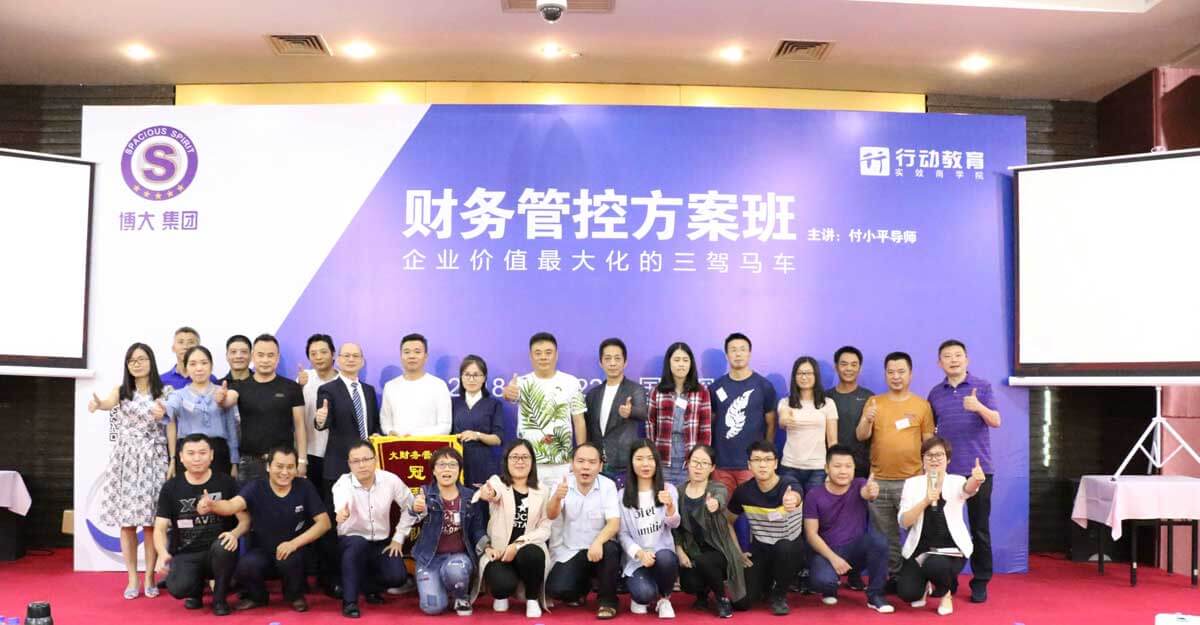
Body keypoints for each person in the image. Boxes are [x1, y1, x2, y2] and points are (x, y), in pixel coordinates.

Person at [198, 445, 331, 612]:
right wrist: (213, 505)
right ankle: (258, 597)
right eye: (279, 466)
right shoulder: (256, 487)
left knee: (290, 559)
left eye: (290, 467)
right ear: (269, 466)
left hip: (295, 551)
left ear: (296, 468)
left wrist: (293, 544)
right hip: (263, 550)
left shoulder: (304, 487)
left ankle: (295, 596)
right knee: (246, 565)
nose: (285, 472)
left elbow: (324, 523)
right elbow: (232, 505)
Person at [87, 342, 172, 599]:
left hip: (154, 459)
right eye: (132, 360)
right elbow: (107, 403)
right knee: (127, 524)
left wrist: (173, 460)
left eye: (141, 359)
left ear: (151, 361)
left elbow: (171, 426)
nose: (137, 364)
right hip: (126, 461)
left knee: (150, 524)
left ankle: (150, 578)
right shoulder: (122, 391)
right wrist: (99, 404)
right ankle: (132, 578)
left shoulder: (165, 391)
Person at [927, 339, 1001, 604]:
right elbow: (931, 434)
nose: (953, 360)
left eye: (958, 355)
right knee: (944, 529)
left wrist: (978, 407)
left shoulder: (982, 386)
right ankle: (948, 581)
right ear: (940, 363)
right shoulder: (935, 393)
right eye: (947, 356)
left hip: (978, 471)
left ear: (966, 359)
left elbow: (996, 421)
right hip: (946, 473)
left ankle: (980, 581)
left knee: (979, 529)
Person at [856, 351, 933, 583]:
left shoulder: (922, 405)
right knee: (885, 536)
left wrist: (928, 478)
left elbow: (929, 444)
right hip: (879, 481)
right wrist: (867, 419)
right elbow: (861, 435)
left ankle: (917, 578)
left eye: (901, 371)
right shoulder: (874, 402)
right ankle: (894, 577)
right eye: (891, 372)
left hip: (912, 481)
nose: (896, 376)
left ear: (910, 374)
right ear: (885, 375)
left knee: (916, 532)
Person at [152, 434, 246, 616]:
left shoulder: (226, 482)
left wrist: (235, 533)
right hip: (186, 552)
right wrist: (162, 553)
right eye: (191, 453)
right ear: (181, 457)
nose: (197, 458)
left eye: (202, 453)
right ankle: (195, 592)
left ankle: (219, 599)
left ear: (211, 455)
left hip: (218, 551)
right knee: (178, 587)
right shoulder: (171, 487)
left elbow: (246, 520)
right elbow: (160, 527)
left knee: (224, 547)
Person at [897, 437, 986, 616]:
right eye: (929, 455)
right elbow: (904, 521)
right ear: (922, 459)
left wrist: (976, 480)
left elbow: (967, 489)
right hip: (920, 548)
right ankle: (925, 586)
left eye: (939, 455)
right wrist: (926, 501)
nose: (934, 459)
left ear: (948, 459)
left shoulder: (956, 481)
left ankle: (946, 594)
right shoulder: (912, 484)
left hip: (950, 549)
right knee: (908, 593)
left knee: (935, 565)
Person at [803, 445, 893, 613]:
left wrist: (871, 492)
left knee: (878, 541)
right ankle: (830, 588)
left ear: (854, 468)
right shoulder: (814, 495)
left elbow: (867, 493)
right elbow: (811, 535)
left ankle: (876, 596)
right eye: (837, 466)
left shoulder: (859, 484)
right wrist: (833, 558)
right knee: (823, 581)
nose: (843, 471)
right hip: (827, 552)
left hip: (855, 551)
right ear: (826, 468)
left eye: (848, 466)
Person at [398, 447, 487, 616]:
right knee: (432, 607)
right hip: (429, 559)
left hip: (458, 557)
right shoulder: (424, 494)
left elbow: (477, 529)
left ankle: (461, 596)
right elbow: (412, 517)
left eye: (452, 465)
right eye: (441, 465)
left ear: (459, 470)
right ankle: (440, 586)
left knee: (455, 570)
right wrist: (415, 509)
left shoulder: (470, 496)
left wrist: (486, 546)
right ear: (433, 470)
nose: (447, 469)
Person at [331, 440, 414, 618]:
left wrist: (398, 537)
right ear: (349, 464)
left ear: (375, 460)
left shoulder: (390, 480)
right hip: (351, 542)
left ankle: (369, 588)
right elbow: (341, 502)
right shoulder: (343, 483)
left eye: (366, 459)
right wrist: (341, 513)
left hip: (380, 542)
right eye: (355, 461)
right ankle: (350, 602)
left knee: (397, 577)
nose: (361, 465)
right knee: (357, 544)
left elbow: (411, 507)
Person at [472, 439, 552, 618]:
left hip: (527, 550)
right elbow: (491, 491)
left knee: (532, 554)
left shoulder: (543, 490)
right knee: (501, 586)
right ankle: (504, 592)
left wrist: (518, 545)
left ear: (532, 461)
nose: (520, 461)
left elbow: (545, 528)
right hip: (499, 553)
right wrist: (487, 493)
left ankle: (532, 599)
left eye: (525, 457)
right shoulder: (498, 482)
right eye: (514, 457)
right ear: (506, 461)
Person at [545, 442, 622, 619]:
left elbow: (614, 523)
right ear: (572, 464)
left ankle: (608, 602)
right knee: (556, 589)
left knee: (611, 549)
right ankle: (582, 588)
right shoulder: (562, 483)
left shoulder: (608, 485)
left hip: (599, 550)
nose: (585, 467)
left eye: (592, 462)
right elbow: (550, 514)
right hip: (571, 550)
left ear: (600, 466)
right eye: (580, 461)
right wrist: (557, 498)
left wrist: (598, 542)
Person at [726, 440, 804, 616]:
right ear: (749, 465)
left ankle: (779, 595)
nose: (762, 465)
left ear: (776, 463)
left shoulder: (788, 484)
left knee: (784, 547)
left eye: (768, 459)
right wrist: (737, 552)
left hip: (790, 550)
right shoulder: (743, 492)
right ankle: (766, 585)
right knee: (742, 603)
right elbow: (727, 521)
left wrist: (792, 499)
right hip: (761, 550)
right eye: (757, 460)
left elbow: (796, 493)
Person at [503, 332, 587, 489]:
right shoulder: (521, 382)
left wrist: (581, 456)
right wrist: (507, 393)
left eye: (548, 352)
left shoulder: (571, 382)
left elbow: (579, 421)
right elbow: (509, 395)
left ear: (556, 355)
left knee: (562, 504)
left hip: (563, 463)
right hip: (529, 464)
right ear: (530, 356)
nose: (543, 357)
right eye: (538, 353)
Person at [672, 445, 746, 618]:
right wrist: (680, 551)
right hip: (693, 550)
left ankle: (722, 598)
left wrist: (715, 504)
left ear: (712, 468)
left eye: (704, 463)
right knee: (689, 583)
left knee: (742, 604)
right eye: (695, 462)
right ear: (687, 463)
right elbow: (675, 526)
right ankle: (702, 594)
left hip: (720, 550)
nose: (698, 467)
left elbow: (721, 498)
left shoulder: (717, 488)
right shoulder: (678, 492)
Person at [709, 333, 777, 520]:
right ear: (727, 355)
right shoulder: (716, 387)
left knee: (754, 518)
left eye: (742, 349)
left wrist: (764, 457)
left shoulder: (764, 386)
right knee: (722, 517)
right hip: (722, 464)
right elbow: (711, 423)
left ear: (749, 353)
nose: (738, 354)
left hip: (752, 465)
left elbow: (771, 423)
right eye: (733, 350)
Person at [617, 440, 681, 619]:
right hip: (637, 560)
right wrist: (639, 554)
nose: (645, 464)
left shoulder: (668, 489)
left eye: (650, 458)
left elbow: (675, 524)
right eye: (639, 459)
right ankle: (645, 593)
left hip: (661, 555)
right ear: (631, 462)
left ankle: (665, 598)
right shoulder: (622, 496)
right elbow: (622, 534)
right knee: (644, 595)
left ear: (657, 462)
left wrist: (670, 507)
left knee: (666, 558)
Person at [236, 334, 306, 483]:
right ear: (253, 356)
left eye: (270, 355)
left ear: (277, 358)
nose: (265, 360)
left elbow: (300, 425)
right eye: (260, 355)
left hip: (284, 462)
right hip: (250, 462)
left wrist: (302, 460)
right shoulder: (240, 387)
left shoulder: (292, 387)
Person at [164, 346, 239, 477]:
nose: (199, 368)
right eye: (193, 364)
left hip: (219, 454)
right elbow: (170, 407)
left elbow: (231, 427)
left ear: (211, 366)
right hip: (189, 453)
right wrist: (163, 410)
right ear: (186, 368)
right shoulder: (178, 395)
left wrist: (234, 461)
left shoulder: (222, 392)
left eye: (204, 363)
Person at [647, 342, 712, 487]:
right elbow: (650, 425)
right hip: (663, 460)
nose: (681, 364)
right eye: (676, 360)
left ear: (691, 364)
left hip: (690, 462)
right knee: (664, 499)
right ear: (669, 363)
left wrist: (701, 460)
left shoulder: (701, 392)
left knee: (688, 499)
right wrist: (652, 457)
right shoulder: (657, 391)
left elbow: (705, 430)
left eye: (685, 360)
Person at [584, 338, 648, 485]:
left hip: (623, 463)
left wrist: (630, 412)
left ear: (625, 362)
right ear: (601, 363)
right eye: (608, 358)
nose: (612, 363)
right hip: (598, 464)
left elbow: (643, 413)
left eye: (617, 358)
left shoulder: (635, 389)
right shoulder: (593, 394)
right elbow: (589, 428)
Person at [316, 342, 381, 485]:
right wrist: (320, 420)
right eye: (346, 356)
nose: (351, 359)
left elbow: (374, 423)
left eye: (355, 356)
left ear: (362, 361)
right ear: (338, 360)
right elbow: (323, 422)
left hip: (368, 464)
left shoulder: (369, 390)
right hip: (340, 464)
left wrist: (377, 434)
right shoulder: (327, 389)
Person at [778, 356, 838, 495]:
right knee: (791, 505)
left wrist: (832, 467)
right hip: (790, 466)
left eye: (809, 373)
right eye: (800, 373)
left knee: (815, 506)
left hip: (818, 468)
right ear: (794, 376)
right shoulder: (785, 402)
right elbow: (782, 421)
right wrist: (784, 420)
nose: (804, 377)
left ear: (816, 375)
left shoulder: (828, 403)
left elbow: (832, 441)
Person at [380, 333, 453, 437]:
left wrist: (413, 436)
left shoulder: (439, 385)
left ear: (426, 356)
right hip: (398, 446)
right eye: (407, 352)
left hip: (429, 446)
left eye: (417, 352)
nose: (412, 356)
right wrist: (390, 431)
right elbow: (385, 423)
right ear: (401, 356)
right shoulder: (390, 386)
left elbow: (445, 426)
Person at [451, 355, 505, 486]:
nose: (471, 379)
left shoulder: (493, 404)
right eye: (467, 375)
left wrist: (477, 435)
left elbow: (498, 439)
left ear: (484, 378)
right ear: (461, 377)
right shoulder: (452, 403)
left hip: (483, 462)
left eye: (476, 375)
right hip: (456, 461)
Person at [296, 333, 339, 499]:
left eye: (323, 352)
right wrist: (299, 387)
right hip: (309, 451)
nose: (318, 357)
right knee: (311, 500)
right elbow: (294, 413)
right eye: (313, 353)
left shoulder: (342, 379)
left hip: (335, 453)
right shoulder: (304, 378)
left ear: (333, 354)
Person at [826, 346, 873, 478]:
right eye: (844, 364)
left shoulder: (869, 397)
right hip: (832, 465)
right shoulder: (825, 398)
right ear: (836, 367)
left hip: (860, 466)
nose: (849, 369)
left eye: (854, 365)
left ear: (860, 368)